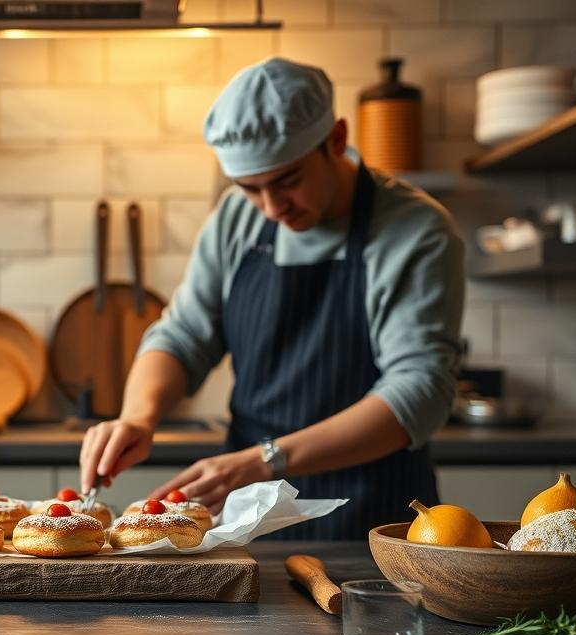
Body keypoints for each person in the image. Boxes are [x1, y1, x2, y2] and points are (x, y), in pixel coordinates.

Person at [79, 57, 465, 539]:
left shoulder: (416, 230)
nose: (271, 207)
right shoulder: (235, 219)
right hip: (250, 517)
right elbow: (182, 335)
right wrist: (138, 416)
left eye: (288, 181)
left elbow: (419, 390)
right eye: (250, 189)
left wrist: (266, 459)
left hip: (376, 520)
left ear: (337, 140)